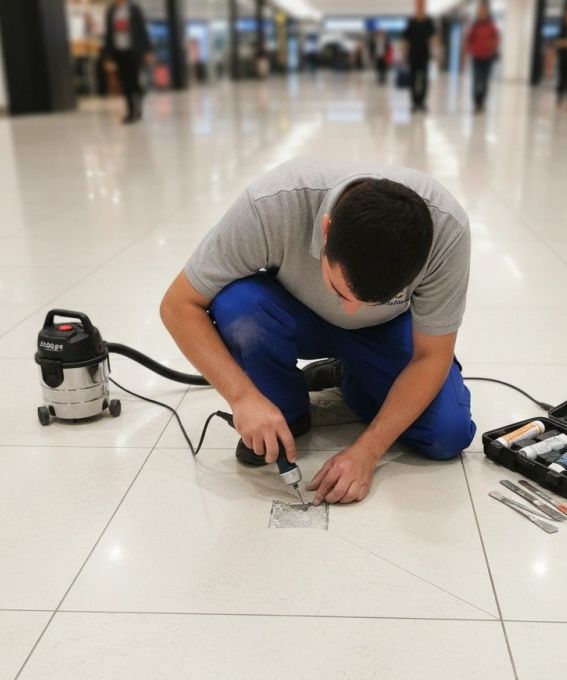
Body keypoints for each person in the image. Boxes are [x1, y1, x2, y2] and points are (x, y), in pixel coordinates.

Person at [160, 159, 475, 506]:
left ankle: (352, 377)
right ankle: (287, 410)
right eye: (340, 291)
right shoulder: (272, 206)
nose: (351, 310)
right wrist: (242, 397)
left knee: (448, 433)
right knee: (237, 305)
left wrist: (367, 452)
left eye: (373, 300)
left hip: (386, 331)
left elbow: (432, 355)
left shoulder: (446, 232)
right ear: (326, 231)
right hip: (295, 315)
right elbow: (178, 305)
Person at [103, 0, 152, 124]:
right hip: (119, 52)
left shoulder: (134, 9)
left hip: (134, 52)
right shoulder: (111, 11)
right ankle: (131, 112)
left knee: (135, 81)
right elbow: (108, 34)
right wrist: (108, 55)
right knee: (125, 83)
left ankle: (138, 103)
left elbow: (142, 30)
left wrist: (148, 51)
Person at [465, 2, 500, 113]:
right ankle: (476, 103)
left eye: (484, 9)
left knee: (484, 81)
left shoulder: (491, 25)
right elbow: (469, 39)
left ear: (487, 11)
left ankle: (482, 103)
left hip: (488, 57)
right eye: (480, 9)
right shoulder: (474, 25)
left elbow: (497, 38)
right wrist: (470, 50)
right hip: (476, 57)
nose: (482, 12)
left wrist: (493, 47)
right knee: (476, 80)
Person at [402, 0, 436, 113]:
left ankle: (422, 102)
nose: (421, 6)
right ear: (416, 6)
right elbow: (406, 40)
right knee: (412, 79)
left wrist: (436, 52)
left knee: (424, 79)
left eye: (422, 4)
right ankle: (414, 103)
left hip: (425, 55)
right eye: (419, 4)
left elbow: (433, 38)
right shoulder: (411, 22)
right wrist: (404, 54)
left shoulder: (429, 22)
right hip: (413, 56)